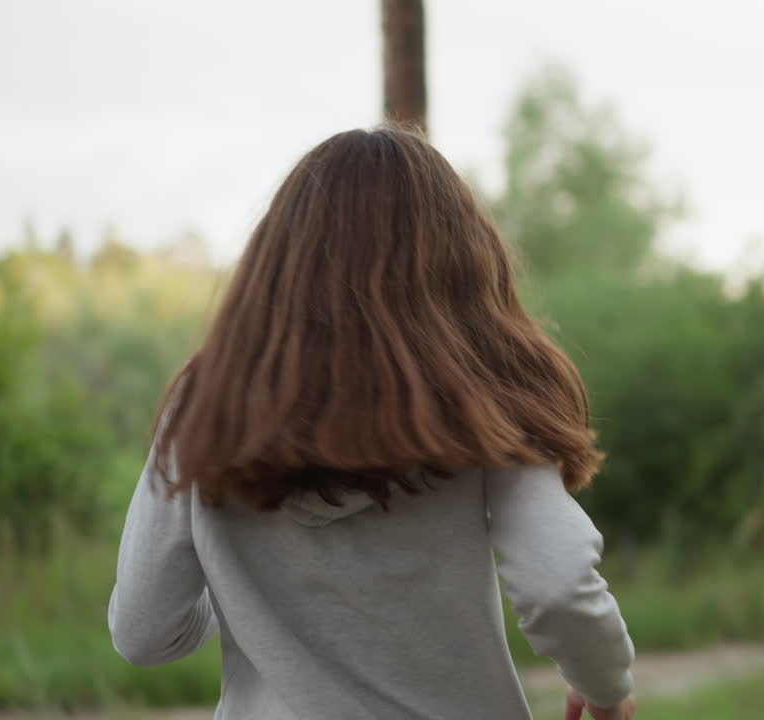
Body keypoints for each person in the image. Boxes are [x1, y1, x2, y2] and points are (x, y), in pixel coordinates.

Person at [107, 126, 636, 720]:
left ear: (281, 261)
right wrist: (605, 686)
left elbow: (144, 632)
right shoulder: (486, 388)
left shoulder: (208, 397)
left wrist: (247, 603)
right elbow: (556, 584)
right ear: (460, 258)